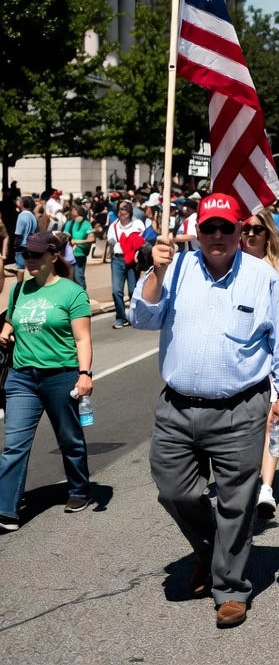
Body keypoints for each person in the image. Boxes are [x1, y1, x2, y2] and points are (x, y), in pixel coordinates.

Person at [129, 193, 279, 628]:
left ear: (241, 230)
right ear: (198, 232)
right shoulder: (176, 268)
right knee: (173, 491)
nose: (219, 236)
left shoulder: (261, 277)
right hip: (177, 407)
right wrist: (156, 270)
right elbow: (142, 318)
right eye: (210, 228)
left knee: (237, 503)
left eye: (228, 228)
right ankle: (211, 548)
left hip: (240, 409)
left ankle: (230, 588)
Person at [0, 232, 94, 532]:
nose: (29, 260)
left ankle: (79, 489)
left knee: (69, 439)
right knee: (14, 445)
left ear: (53, 256)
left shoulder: (71, 293)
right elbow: (12, 320)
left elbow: (82, 338)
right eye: (26, 254)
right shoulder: (19, 290)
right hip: (21, 378)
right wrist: (5, 328)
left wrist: (84, 374)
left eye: (36, 255)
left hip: (60, 376)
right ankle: (6, 511)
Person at [238, 209, 279, 520]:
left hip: (274, 358)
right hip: (241, 360)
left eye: (257, 230)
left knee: (273, 424)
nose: (250, 234)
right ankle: (244, 479)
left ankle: (266, 487)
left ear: (268, 235)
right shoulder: (229, 267)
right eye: (246, 229)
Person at [107, 200, 145, 328]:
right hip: (118, 260)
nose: (122, 212)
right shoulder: (114, 226)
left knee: (133, 290)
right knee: (116, 290)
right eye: (120, 209)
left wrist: (134, 248)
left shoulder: (137, 224)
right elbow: (111, 241)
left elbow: (142, 239)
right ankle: (121, 317)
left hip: (133, 261)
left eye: (125, 209)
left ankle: (135, 315)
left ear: (130, 212)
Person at [64, 204, 95, 292]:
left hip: (79, 254)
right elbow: (64, 235)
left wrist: (79, 241)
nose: (72, 212)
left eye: (74, 210)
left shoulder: (86, 224)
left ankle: (82, 297)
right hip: (68, 255)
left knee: (78, 276)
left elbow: (92, 238)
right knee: (69, 278)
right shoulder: (69, 223)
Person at [13, 196, 39, 279]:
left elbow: (18, 234)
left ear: (22, 204)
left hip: (22, 246)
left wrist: (15, 245)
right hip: (31, 245)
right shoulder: (33, 216)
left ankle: (19, 289)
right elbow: (37, 231)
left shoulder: (21, 215)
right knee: (32, 268)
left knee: (20, 269)